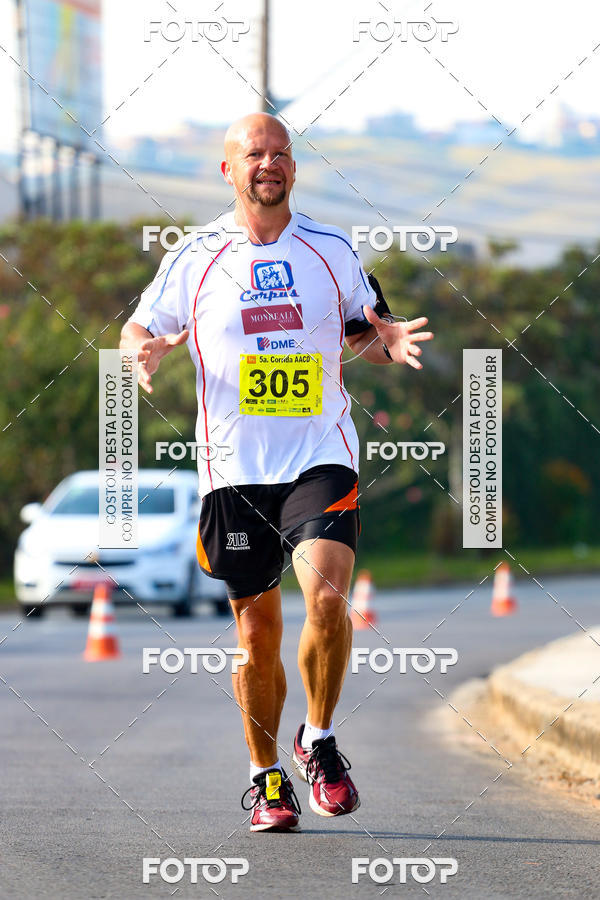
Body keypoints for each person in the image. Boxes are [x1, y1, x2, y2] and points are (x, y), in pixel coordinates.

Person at [120, 113, 433, 832]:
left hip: (318, 456)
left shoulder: (329, 249)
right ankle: (266, 778)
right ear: (227, 170)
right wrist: (143, 350)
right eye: (254, 154)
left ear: (295, 169)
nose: (269, 163)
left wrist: (387, 338)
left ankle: (318, 742)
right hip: (233, 470)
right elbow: (139, 326)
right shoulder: (194, 255)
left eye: (281, 154)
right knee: (256, 634)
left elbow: (370, 332)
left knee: (327, 596)